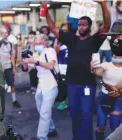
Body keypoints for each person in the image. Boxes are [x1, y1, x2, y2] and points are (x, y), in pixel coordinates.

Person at [43, 1, 111, 139]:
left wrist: (103, 4)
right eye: (79, 24)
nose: (81, 27)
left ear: (89, 26)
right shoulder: (71, 39)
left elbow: (107, 25)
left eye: (84, 24)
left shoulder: (94, 40)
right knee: (74, 114)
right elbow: (52, 27)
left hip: (88, 84)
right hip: (72, 83)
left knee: (86, 114)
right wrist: (44, 7)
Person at [22, 34, 59, 140]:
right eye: (36, 43)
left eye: (40, 43)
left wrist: (35, 61)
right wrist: (25, 61)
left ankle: (41, 137)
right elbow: (27, 69)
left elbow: (51, 65)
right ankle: (51, 128)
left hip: (51, 86)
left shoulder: (50, 51)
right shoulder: (36, 54)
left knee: (44, 112)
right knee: (41, 110)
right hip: (41, 86)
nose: (38, 45)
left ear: (45, 42)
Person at [0, 27, 21, 107]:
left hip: (8, 66)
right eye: (3, 33)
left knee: (11, 83)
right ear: (1, 34)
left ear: (8, 34)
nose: (5, 34)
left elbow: (12, 56)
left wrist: (13, 67)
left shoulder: (10, 43)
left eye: (6, 33)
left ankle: (14, 100)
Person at [54, 23, 69, 111]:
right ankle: (63, 102)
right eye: (62, 31)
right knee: (62, 85)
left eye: (66, 30)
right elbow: (55, 53)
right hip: (61, 65)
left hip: (71, 65)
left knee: (72, 85)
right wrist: (57, 39)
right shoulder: (59, 41)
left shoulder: (74, 39)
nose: (64, 32)